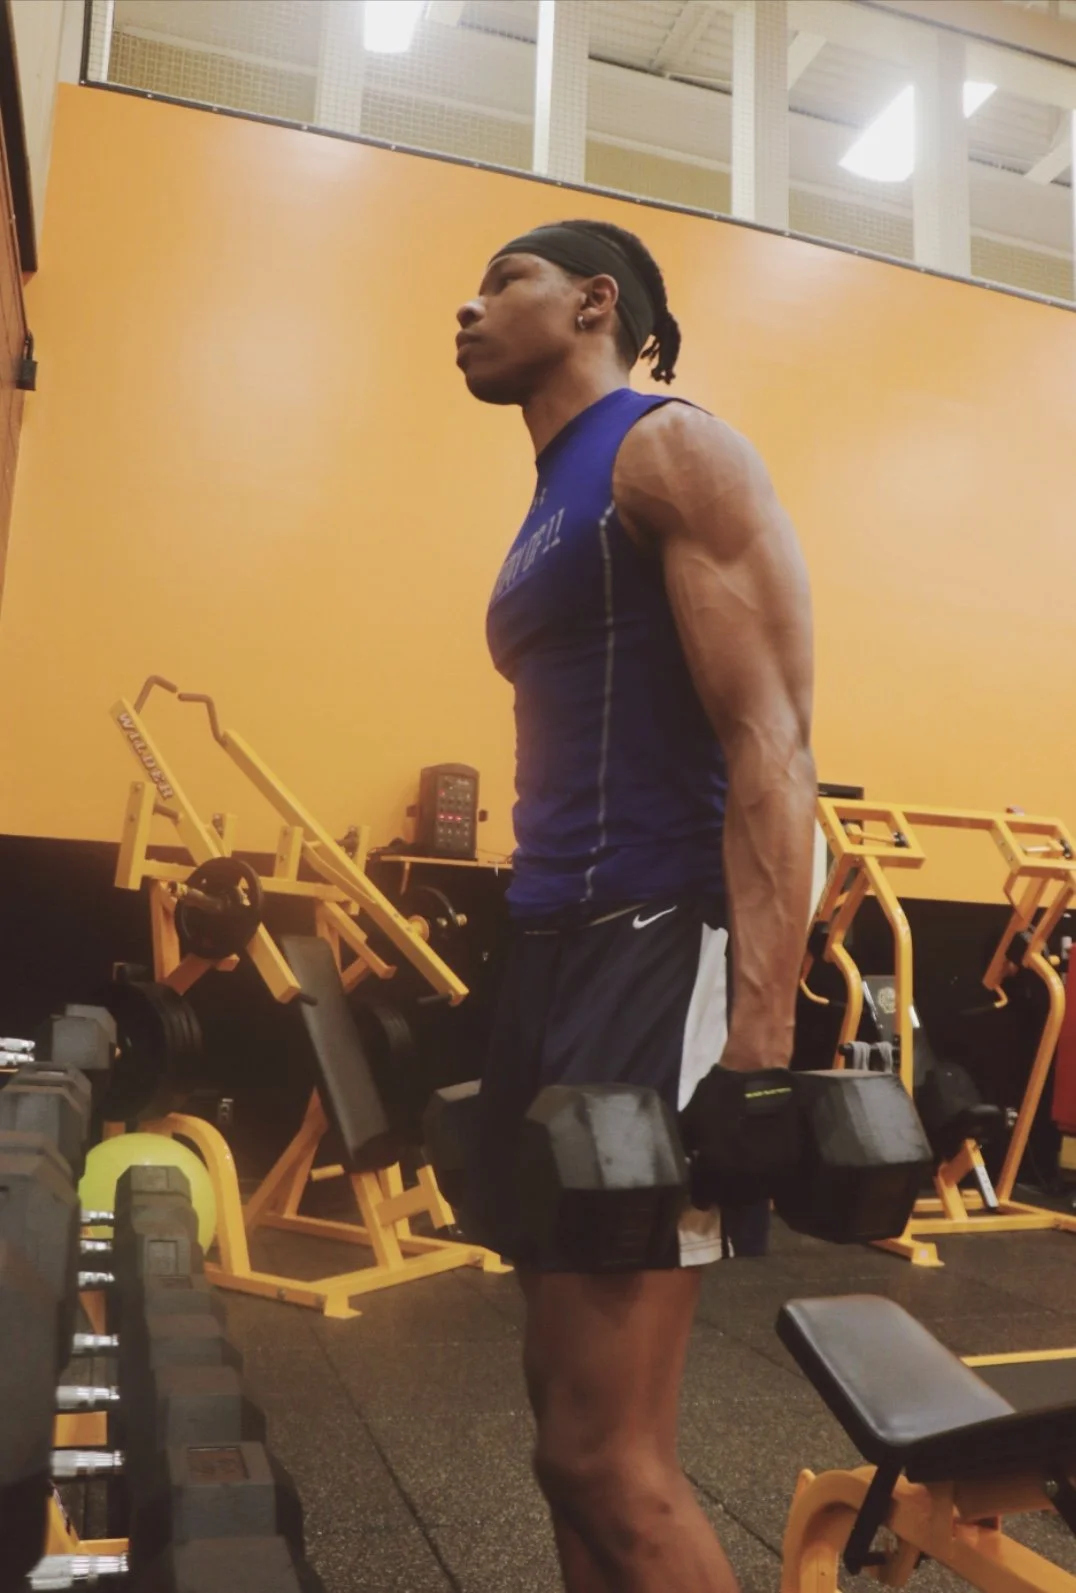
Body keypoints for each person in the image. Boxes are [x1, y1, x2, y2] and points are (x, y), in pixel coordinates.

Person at [455, 219, 816, 1593]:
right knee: (560, 1437)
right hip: (552, 951)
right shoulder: (550, 497)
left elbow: (773, 743)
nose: (469, 309)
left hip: (658, 944)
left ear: (594, 302)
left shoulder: (668, 448)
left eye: (506, 282)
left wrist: (762, 1048)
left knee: (612, 1456)